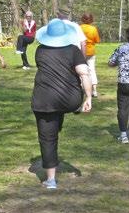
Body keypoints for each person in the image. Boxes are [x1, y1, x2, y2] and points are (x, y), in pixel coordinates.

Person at [31, 19, 92, 189]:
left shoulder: (40, 50)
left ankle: (51, 180)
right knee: (58, 111)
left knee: (47, 137)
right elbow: (84, 74)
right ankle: (67, 113)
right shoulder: (74, 50)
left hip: (44, 100)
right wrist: (88, 97)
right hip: (70, 99)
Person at [80, 12, 101, 97]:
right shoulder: (93, 29)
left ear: (82, 19)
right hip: (91, 52)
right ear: (91, 20)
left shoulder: (79, 28)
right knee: (92, 70)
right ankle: (94, 91)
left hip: (81, 51)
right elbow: (97, 40)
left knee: (81, 70)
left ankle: (82, 88)